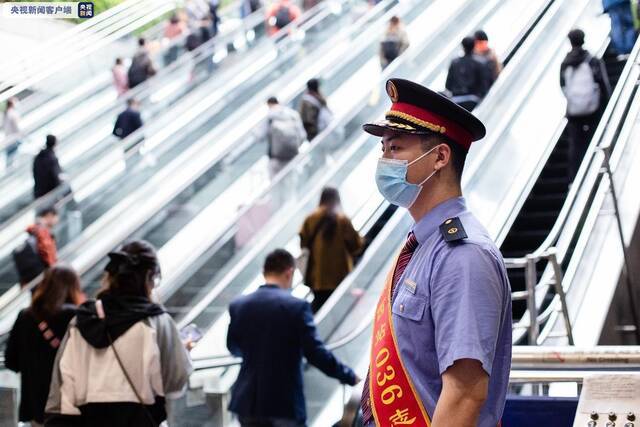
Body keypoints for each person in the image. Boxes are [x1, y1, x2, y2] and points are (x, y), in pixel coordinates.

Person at [359, 78, 512, 426]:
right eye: (383, 150)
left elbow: (466, 390)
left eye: (395, 149)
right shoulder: (423, 245)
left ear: (440, 157)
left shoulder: (464, 255)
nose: (384, 160)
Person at [45, 240, 192, 426]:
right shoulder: (157, 322)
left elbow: (61, 384)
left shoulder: (82, 320)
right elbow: (175, 382)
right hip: (139, 419)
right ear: (150, 277)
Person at [227, 249, 358, 427]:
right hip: (283, 403)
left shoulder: (239, 305)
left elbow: (233, 347)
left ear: (264, 272)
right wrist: (349, 376)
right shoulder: (297, 307)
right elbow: (315, 353)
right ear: (289, 272)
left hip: (247, 402)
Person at [5, 266, 83, 427]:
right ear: (73, 287)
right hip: (70, 404)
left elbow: (10, 361)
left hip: (36, 406)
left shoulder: (26, 316)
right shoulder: (78, 316)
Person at [299, 187, 363, 312]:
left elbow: (303, 243)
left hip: (317, 277)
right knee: (339, 311)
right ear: (337, 199)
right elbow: (356, 246)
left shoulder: (310, 219)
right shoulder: (342, 219)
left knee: (319, 309)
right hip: (340, 277)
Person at [560, 29, 611, 180]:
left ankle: (574, 179)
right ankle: (599, 173)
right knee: (596, 138)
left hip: (574, 111)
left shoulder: (564, 63)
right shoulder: (591, 60)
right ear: (583, 39)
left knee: (575, 145)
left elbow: (562, 85)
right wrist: (606, 103)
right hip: (593, 109)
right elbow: (602, 82)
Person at [262, 96, 306, 178]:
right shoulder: (293, 115)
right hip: (292, 155)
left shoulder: (269, 116)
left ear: (269, 104)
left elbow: (261, 135)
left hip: (275, 157)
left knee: (275, 185)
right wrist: (293, 145)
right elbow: (302, 135)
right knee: (291, 183)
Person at [445, 36, 492, 111]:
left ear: (462, 46)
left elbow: (448, 85)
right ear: (474, 46)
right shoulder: (481, 63)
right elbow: (484, 87)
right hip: (473, 101)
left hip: (455, 100)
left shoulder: (455, 62)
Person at [33, 135, 63, 199]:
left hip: (39, 191)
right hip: (48, 192)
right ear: (55, 144)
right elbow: (55, 175)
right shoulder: (52, 158)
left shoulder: (38, 157)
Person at [4, 97, 22, 167]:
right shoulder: (13, 113)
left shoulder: (6, 113)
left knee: (9, 158)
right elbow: (17, 128)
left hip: (8, 138)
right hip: (14, 139)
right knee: (13, 158)